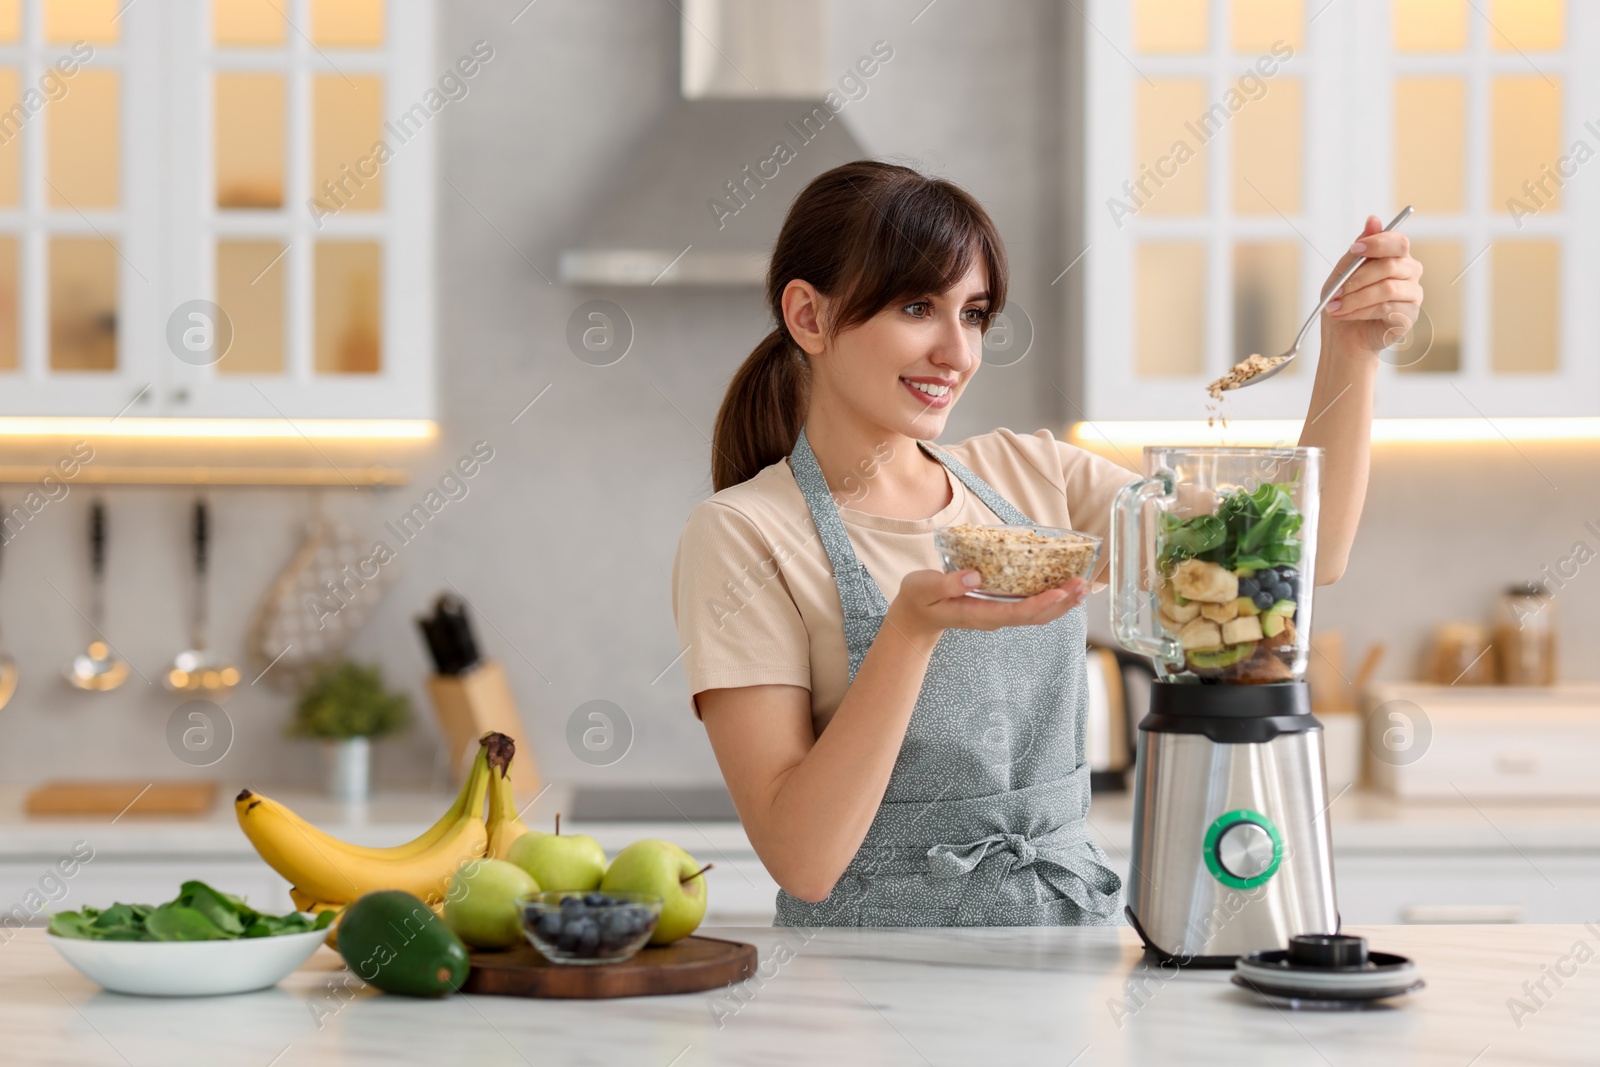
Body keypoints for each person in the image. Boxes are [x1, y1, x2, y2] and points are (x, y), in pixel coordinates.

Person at [670, 160, 1422, 927]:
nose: (957, 354)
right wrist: (910, 629)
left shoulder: (1034, 479)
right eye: (918, 306)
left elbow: (1297, 558)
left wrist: (1351, 351)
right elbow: (804, 859)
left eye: (973, 314)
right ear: (810, 317)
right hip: (870, 984)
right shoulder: (744, 534)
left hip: (1067, 950)